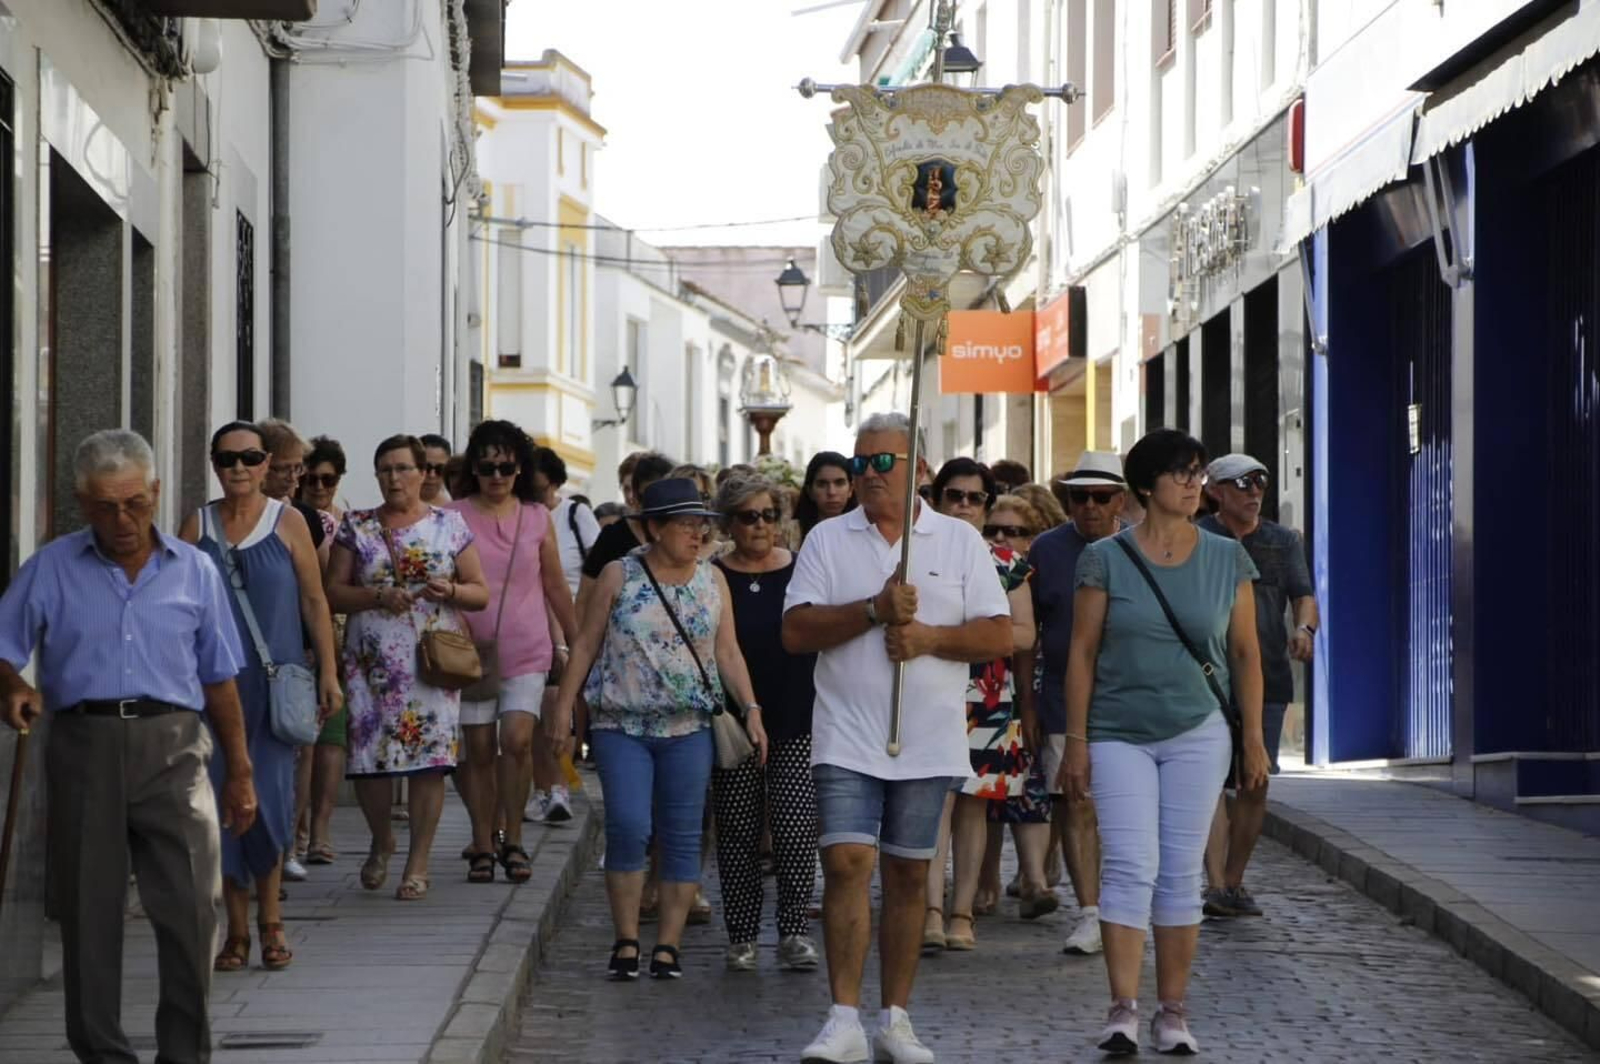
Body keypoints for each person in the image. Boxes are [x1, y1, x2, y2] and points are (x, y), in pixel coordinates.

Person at [0, 429, 256, 1064]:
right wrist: (13, 687)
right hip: (83, 743)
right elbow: (2, 648)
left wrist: (240, 772)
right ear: (82, 504)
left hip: (175, 746)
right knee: (89, 912)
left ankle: (184, 1053)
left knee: (192, 906)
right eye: (106, 507)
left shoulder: (194, 569)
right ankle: (103, 1053)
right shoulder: (53, 566)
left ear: (156, 493)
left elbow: (220, 679)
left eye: (135, 504)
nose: (122, 521)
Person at [783, 412, 1010, 1064]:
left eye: (882, 462)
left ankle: (895, 1019)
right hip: (847, 732)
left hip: (928, 736)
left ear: (919, 470)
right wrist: (871, 611)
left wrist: (930, 637)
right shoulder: (828, 538)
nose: (868, 475)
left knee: (910, 874)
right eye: (860, 463)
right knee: (847, 863)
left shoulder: (959, 540)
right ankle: (842, 1018)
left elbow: (998, 633)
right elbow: (795, 631)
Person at [1060, 429, 1269, 1056]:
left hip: (1198, 730)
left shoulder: (1227, 558)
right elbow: (1082, 652)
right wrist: (1076, 740)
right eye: (1181, 472)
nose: (1193, 483)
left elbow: (1245, 653)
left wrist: (1253, 737)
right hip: (1117, 731)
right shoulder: (1105, 559)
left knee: (1180, 872)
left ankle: (1172, 1011)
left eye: (1198, 472)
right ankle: (1122, 1009)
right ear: (1146, 486)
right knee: (1129, 865)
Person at [552, 478, 767, 981]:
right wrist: (563, 708)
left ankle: (668, 946)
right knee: (629, 826)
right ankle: (626, 940)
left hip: (689, 727)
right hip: (621, 724)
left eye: (702, 525)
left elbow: (727, 651)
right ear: (654, 529)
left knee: (682, 836)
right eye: (686, 525)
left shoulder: (712, 581)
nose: (698, 535)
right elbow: (586, 644)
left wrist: (752, 707)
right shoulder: (618, 574)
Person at [180, 421, 341, 973]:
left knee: (268, 802)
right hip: (213, 692)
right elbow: (173, 608)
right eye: (228, 459)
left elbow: (315, 602)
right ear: (214, 464)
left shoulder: (289, 522)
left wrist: (329, 673)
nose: (240, 469)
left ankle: (272, 921)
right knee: (222, 805)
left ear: (267, 462)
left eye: (250, 458)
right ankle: (236, 930)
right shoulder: (196, 526)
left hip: (274, 690)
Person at [325, 434, 491, 900]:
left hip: (431, 662)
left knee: (429, 763)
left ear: (423, 473)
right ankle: (382, 839)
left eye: (402, 468)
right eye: (385, 470)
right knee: (369, 761)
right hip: (372, 663)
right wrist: (377, 595)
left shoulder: (448, 525)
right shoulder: (357, 526)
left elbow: (479, 591)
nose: (394, 478)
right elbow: (332, 591)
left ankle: (418, 863)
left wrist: (451, 591)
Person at [921, 460, 1041, 955]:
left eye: (975, 498)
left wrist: (961, 636)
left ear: (988, 504)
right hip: (929, 692)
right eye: (955, 496)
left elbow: (1026, 634)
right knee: (934, 803)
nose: (965, 506)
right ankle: (931, 909)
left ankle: (962, 911)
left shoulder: (1007, 562)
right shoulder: (916, 554)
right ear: (937, 499)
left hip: (989, 698)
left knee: (974, 806)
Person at [449, 423, 579, 883]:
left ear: (519, 468)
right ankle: (483, 841)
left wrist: (577, 641)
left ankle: (515, 839)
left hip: (528, 647)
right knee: (479, 749)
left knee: (518, 740)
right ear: (474, 469)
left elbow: (555, 585)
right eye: (486, 467)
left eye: (505, 467)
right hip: (471, 652)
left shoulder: (536, 517)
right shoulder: (452, 516)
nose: (497, 476)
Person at [709, 473, 821, 973]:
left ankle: (794, 930)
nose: (759, 525)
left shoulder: (801, 571)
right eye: (748, 516)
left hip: (796, 715)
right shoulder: (713, 575)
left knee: (796, 828)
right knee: (737, 830)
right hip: (735, 722)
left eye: (768, 515)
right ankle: (742, 936)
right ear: (729, 522)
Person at [1198, 453, 1318, 917]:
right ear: (1215, 491)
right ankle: (1215, 884)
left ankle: (1234, 879)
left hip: (1267, 676)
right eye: (1242, 483)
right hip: (1206, 677)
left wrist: (1304, 629)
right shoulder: (1197, 537)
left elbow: (1304, 595)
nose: (1253, 492)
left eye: (1260, 483)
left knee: (1254, 782)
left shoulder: (1283, 541)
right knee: (1209, 781)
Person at [1027, 452, 1129, 957]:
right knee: (1076, 801)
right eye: (1079, 496)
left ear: (1121, 500)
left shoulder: (1143, 547)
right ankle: (1090, 911)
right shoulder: (1046, 549)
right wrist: (1028, 705)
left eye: (1100, 496)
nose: (1089, 505)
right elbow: (1028, 632)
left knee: (1126, 809)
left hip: (1133, 699)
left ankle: (1125, 906)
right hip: (1062, 697)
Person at [255, 417, 327, 884]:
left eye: (298, 468)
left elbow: (316, 593)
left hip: (293, 653)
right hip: (244, 655)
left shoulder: (305, 520)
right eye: (285, 468)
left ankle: (288, 841)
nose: (293, 478)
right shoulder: (219, 519)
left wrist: (321, 653)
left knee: (295, 747)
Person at [525, 446, 596, 824]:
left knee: (559, 704)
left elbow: (598, 566)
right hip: (530, 623)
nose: (537, 495)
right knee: (536, 711)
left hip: (573, 621)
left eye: (541, 488)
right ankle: (545, 788)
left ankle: (560, 785)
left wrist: (576, 630)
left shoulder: (574, 514)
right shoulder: (521, 515)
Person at [296, 435, 351, 866]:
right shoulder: (290, 518)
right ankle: (297, 830)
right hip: (300, 638)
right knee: (304, 739)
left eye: (327, 479)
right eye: (311, 478)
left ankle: (320, 830)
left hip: (341, 637)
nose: (318, 487)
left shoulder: (348, 523)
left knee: (332, 737)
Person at [795, 451, 856, 541]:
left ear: (850, 489)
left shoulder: (865, 532)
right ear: (810, 491)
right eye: (822, 484)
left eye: (839, 483)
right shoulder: (791, 532)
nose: (831, 492)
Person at [420, 433, 453, 505]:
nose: (432, 475)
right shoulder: (396, 504)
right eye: (426, 467)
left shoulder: (454, 505)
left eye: (440, 469)